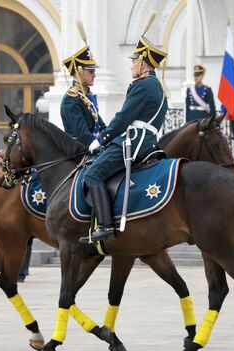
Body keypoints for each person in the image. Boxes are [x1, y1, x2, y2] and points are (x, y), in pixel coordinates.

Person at [80, 30, 168, 243]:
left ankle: (105, 225)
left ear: (143, 63)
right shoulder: (155, 85)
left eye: (134, 61)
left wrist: (101, 139)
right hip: (146, 139)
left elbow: (123, 118)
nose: (131, 65)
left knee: (92, 175)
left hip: (134, 141)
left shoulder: (143, 85)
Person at [60, 42, 106, 145]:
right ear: (79, 72)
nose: (94, 75)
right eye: (91, 71)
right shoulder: (71, 99)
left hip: (93, 147)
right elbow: (83, 135)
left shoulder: (86, 96)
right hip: (80, 152)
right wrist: (101, 144)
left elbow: (101, 126)